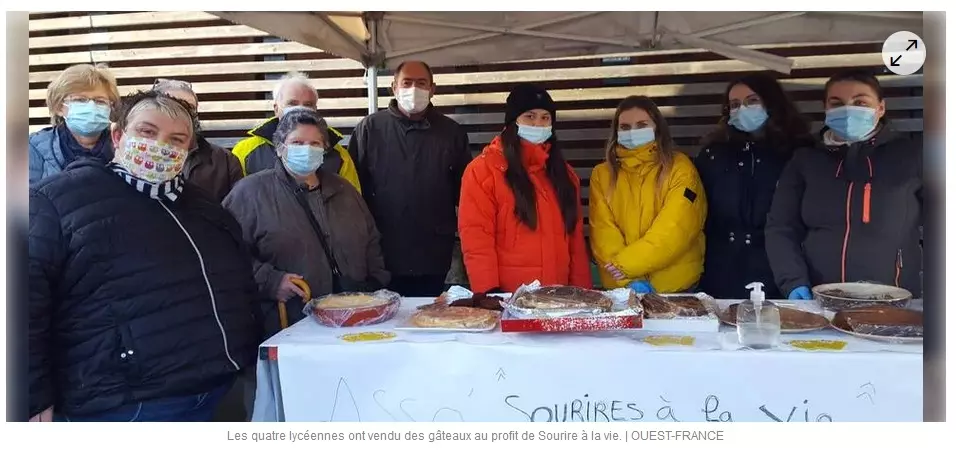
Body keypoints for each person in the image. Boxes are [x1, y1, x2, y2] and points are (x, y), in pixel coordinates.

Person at [28, 90, 261, 422]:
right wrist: (31, 395)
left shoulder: (206, 208)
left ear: (188, 150)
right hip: (125, 404)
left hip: (217, 390)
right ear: (118, 135)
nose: (161, 146)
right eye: (147, 132)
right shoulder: (55, 201)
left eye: (177, 139)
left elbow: (240, 285)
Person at [223, 108, 390, 337]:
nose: (307, 149)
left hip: (352, 320)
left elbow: (371, 240)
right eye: (297, 142)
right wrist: (270, 281)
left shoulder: (344, 190)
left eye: (315, 143)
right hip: (286, 322)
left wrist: (376, 287)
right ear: (280, 148)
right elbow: (225, 253)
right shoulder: (250, 193)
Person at [766, 69, 923, 299]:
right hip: (819, 296)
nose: (848, 110)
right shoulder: (806, 160)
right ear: (826, 109)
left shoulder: (912, 155)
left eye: (860, 102)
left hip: (895, 298)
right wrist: (793, 281)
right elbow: (781, 226)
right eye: (836, 103)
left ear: (880, 108)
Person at [349, 60, 472, 297]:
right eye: (407, 82)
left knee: (429, 318)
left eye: (421, 83)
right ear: (394, 87)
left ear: (432, 88)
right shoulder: (370, 129)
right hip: (382, 252)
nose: (414, 89)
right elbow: (352, 191)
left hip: (434, 252)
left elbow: (464, 192)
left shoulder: (451, 132)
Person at [458, 84, 590, 294]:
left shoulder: (564, 174)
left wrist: (582, 293)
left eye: (545, 118)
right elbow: (477, 239)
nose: (538, 124)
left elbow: (575, 243)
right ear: (513, 122)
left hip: (559, 299)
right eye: (530, 116)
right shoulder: (482, 171)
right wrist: (489, 294)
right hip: (509, 298)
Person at [695, 74, 816, 299]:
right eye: (734, 105)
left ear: (771, 102)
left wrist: (796, 277)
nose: (742, 109)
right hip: (721, 270)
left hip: (781, 269)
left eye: (752, 101)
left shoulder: (800, 152)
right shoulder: (714, 153)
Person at [589, 96, 707, 293]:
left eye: (642, 125)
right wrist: (628, 280)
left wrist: (626, 265)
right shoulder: (602, 174)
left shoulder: (680, 168)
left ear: (657, 128)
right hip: (622, 290)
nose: (632, 132)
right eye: (625, 127)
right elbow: (603, 232)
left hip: (674, 289)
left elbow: (675, 228)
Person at [231, 71, 360, 192]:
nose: (300, 109)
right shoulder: (246, 152)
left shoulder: (339, 156)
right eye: (292, 104)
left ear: (316, 109)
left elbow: (352, 203)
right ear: (276, 109)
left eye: (308, 105)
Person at [151, 78, 244, 202]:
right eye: (174, 107)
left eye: (190, 108)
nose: (184, 114)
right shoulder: (140, 154)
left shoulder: (225, 161)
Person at [29, 63, 120, 185]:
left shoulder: (124, 146)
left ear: (111, 107)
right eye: (80, 100)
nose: (91, 106)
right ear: (59, 107)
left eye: (100, 101)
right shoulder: (33, 148)